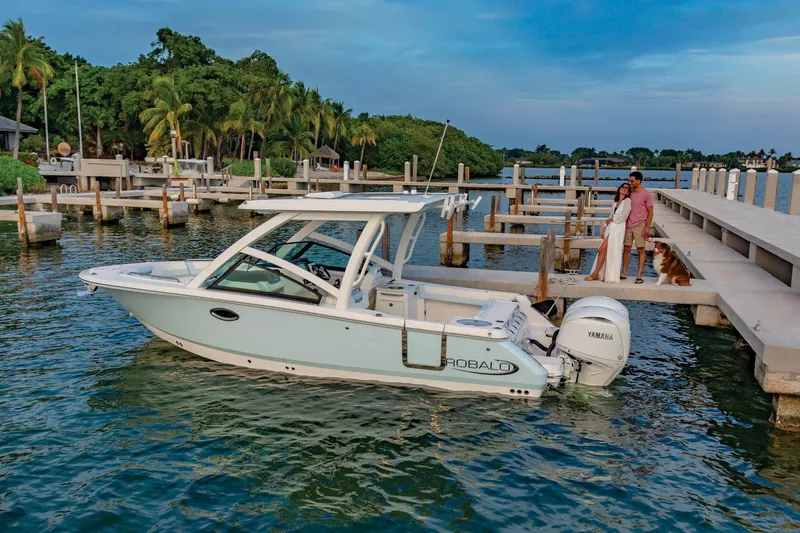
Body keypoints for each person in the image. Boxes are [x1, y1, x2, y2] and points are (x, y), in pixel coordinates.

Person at [585, 183, 631, 283]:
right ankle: (601, 273)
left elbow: (624, 216)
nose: (624, 189)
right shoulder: (615, 202)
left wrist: (612, 220)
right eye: (622, 187)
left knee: (602, 249)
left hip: (618, 228)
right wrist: (604, 228)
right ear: (619, 189)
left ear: (628, 192)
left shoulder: (627, 201)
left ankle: (596, 273)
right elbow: (610, 216)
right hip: (611, 228)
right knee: (604, 250)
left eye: (626, 188)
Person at [621, 171, 654, 284]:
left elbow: (650, 212)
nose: (630, 183)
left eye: (632, 181)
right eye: (629, 180)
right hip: (628, 225)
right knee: (626, 249)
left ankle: (639, 275)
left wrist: (647, 228)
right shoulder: (630, 193)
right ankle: (624, 272)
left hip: (640, 225)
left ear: (638, 181)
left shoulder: (646, 194)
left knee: (641, 250)